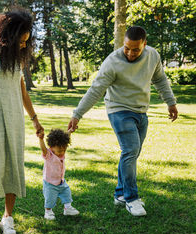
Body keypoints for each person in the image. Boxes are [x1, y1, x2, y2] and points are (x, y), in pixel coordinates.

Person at [67, 26, 178, 216]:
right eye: (127, 48)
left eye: (136, 49)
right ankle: (131, 198)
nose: (130, 53)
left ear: (145, 43)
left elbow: (160, 79)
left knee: (132, 153)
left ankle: (120, 194)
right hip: (118, 109)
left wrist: (171, 102)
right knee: (130, 150)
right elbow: (96, 90)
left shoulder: (153, 56)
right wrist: (77, 114)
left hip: (141, 110)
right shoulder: (113, 62)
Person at [0, 9, 44, 234]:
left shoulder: (16, 60)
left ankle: (8, 217)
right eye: (21, 41)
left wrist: (35, 120)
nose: (24, 46)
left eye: (26, 41)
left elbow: (22, 91)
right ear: (9, 36)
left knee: (13, 163)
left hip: (15, 118)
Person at [39, 129, 79, 220]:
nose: (62, 152)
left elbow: (65, 139)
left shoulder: (61, 151)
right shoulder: (49, 155)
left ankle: (67, 208)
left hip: (61, 181)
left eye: (64, 150)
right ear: (51, 147)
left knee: (67, 193)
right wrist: (41, 139)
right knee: (50, 199)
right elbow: (43, 148)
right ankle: (48, 211)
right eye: (60, 151)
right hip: (50, 183)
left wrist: (69, 132)